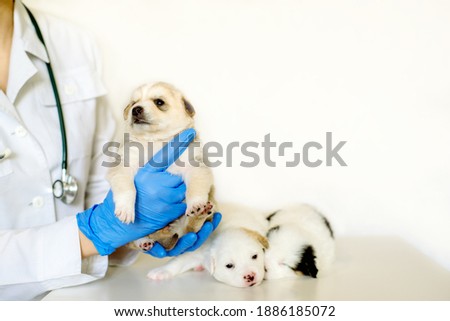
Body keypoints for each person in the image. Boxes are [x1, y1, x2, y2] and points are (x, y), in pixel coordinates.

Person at [0, 0, 220, 300]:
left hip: (85, 291)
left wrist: (127, 238)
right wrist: (95, 232)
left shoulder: (73, 42)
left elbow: (99, 179)